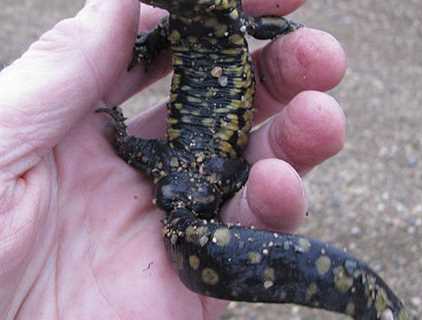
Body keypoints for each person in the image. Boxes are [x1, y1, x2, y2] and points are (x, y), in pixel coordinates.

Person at [0, 0, 346, 318]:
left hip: (188, 169)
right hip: (197, 169)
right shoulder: (205, 21)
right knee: (261, 185)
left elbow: (249, 26)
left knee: (262, 185)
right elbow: (256, 26)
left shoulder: (211, 20)